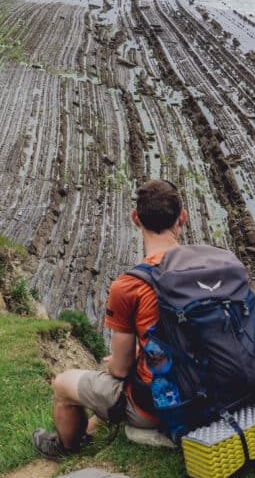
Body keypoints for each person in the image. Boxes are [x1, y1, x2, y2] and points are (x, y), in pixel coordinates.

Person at [32, 179, 186, 460]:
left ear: (135, 218)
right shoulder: (210, 266)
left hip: (161, 405)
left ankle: (65, 449)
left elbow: (121, 370)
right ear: (183, 218)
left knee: (63, 384)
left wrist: (116, 362)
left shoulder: (129, 286)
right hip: (213, 387)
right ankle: (91, 430)